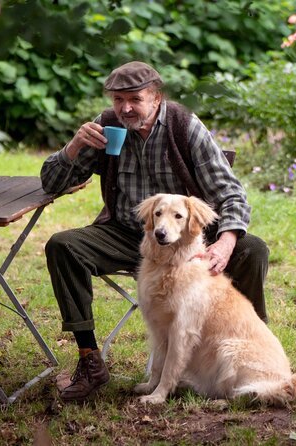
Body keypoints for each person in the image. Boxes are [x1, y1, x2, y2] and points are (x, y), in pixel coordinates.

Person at [40, 61, 270, 402]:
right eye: (118, 99)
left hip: (185, 240)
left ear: (156, 97)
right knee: (63, 245)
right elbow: (51, 184)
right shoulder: (106, 128)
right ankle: (90, 360)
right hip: (126, 232)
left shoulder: (184, 127)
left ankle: (254, 345)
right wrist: (73, 147)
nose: (126, 108)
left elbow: (230, 192)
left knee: (252, 249)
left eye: (135, 98)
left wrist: (225, 241)